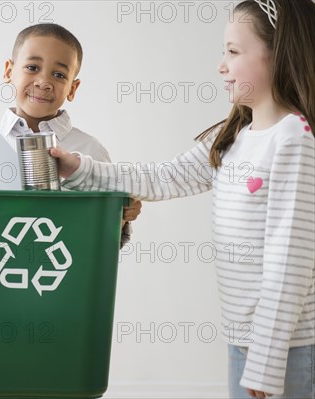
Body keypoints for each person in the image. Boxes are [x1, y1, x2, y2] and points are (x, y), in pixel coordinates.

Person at [50, 1, 314, 398]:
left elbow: (290, 258)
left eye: (233, 51)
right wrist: (80, 168)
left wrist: (266, 359)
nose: (221, 65)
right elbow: (164, 177)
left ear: (279, 54)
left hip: (287, 347)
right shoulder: (233, 137)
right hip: (244, 337)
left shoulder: (292, 138)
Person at [0, 23, 142, 242]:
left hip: (65, 276)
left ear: (73, 88)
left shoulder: (90, 151)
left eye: (59, 75)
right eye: (33, 68)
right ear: (8, 71)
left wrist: (123, 214)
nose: (44, 82)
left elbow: (103, 241)